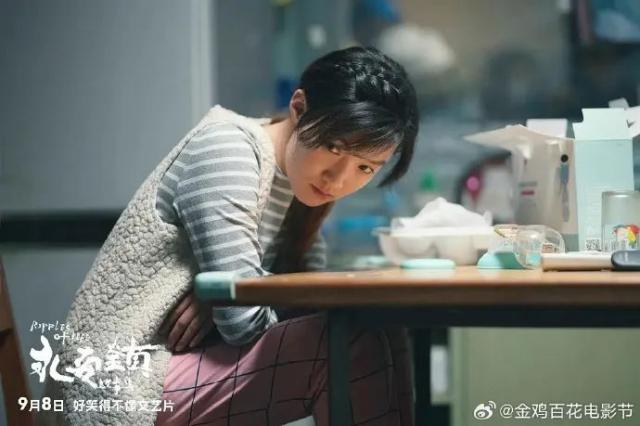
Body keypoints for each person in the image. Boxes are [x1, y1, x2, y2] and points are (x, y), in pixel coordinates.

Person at [40, 46, 419, 426]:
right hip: (117, 376)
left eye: (365, 168)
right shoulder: (231, 149)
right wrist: (237, 294)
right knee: (349, 342)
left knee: (383, 325)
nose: (339, 179)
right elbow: (244, 323)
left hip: (181, 362)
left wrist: (237, 291)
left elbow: (303, 300)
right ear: (299, 108)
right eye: (333, 147)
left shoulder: (303, 185)